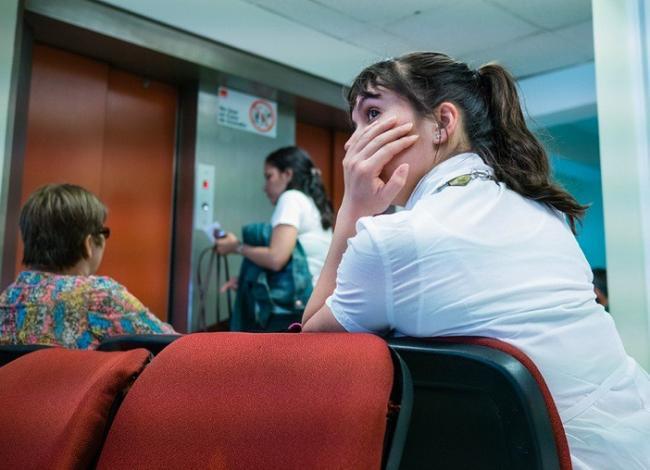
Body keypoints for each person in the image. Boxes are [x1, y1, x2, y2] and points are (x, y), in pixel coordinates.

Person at [301, 52, 650, 468]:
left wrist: (352, 210)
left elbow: (314, 347)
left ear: (443, 123)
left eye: (373, 114)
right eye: (355, 124)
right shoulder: (543, 209)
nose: (353, 144)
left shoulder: (396, 241)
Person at [0, 184, 176, 349]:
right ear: (88, 243)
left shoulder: (7, 299)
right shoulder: (98, 296)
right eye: (103, 232)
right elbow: (175, 346)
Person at [216, 146, 333, 286]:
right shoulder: (312, 203)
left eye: (269, 176)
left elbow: (276, 258)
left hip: (302, 297)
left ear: (287, 174)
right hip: (315, 293)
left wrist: (236, 247)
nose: (265, 187)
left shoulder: (291, 198)